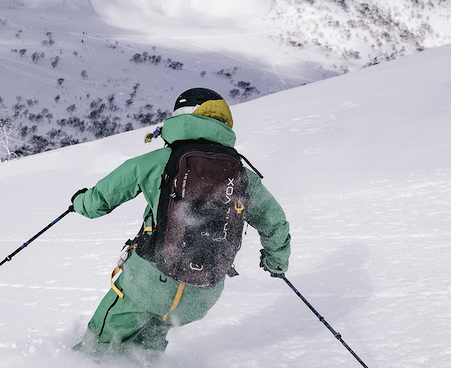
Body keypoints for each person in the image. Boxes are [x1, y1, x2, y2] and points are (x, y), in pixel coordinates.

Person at [71, 87, 291, 351]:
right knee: (153, 336)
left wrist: (79, 202)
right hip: (202, 293)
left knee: (102, 339)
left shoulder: (158, 161)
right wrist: (275, 262)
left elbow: (97, 202)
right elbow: (274, 222)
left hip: (150, 281)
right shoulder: (241, 175)